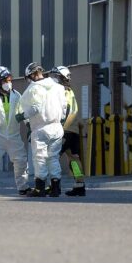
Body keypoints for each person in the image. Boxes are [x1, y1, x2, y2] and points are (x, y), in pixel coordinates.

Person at [16, 62, 67, 197]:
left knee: (40, 158)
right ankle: (56, 188)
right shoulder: (58, 87)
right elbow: (64, 109)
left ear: (31, 75)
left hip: (41, 128)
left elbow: (35, 108)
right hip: (57, 127)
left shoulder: (33, 89)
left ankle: (40, 188)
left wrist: (22, 116)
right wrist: (60, 122)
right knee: (53, 158)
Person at [0, 66, 30, 197]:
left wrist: (29, 125)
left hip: (14, 134)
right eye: (5, 80)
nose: (8, 83)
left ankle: (23, 186)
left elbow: (23, 112)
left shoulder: (17, 95)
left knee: (21, 161)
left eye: (9, 80)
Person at [50, 66, 86, 196]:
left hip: (63, 129)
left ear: (60, 77)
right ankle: (79, 185)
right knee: (74, 159)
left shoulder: (60, 91)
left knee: (52, 158)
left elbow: (62, 110)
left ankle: (54, 185)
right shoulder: (70, 91)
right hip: (74, 130)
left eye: (54, 76)